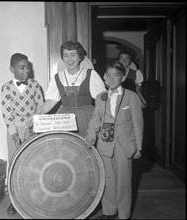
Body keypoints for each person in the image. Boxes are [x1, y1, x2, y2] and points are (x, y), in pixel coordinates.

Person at [86, 61, 144, 219]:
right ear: (104, 77)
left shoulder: (131, 97)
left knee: (124, 180)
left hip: (124, 144)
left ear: (123, 77)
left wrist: (138, 147)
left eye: (116, 75)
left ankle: (124, 214)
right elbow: (95, 120)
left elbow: (138, 124)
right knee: (108, 179)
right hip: (105, 143)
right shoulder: (100, 97)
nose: (111, 79)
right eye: (108, 75)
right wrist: (91, 136)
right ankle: (109, 211)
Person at [34, 40, 106, 137]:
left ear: (80, 57)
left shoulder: (90, 74)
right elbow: (51, 100)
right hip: (64, 120)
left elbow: (101, 99)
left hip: (87, 117)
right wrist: (40, 111)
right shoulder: (57, 77)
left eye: (73, 55)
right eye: (66, 55)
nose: (69, 59)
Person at [1, 53, 44, 214]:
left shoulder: (35, 85)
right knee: (15, 164)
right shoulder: (6, 88)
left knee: (33, 164)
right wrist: (15, 136)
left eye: (28, 67)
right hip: (15, 130)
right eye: (22, 67)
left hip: (33, 128)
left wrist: (36, 127)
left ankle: (33, 199)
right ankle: (14, 201)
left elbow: (41, 108)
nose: (27, 70)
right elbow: (7, 115)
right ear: (12, 69)